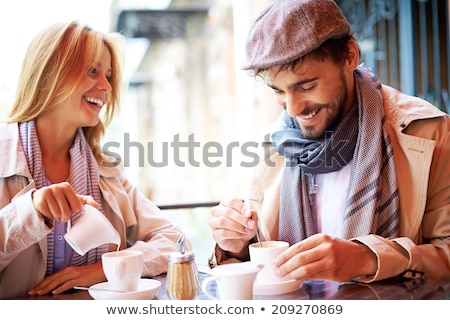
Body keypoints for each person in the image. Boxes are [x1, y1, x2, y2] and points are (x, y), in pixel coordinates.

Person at [210, 0, 450, 283]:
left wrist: (369, 258)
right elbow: (266, 259)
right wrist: (237, 245)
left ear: (349, 56)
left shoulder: (429, 132)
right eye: (278, 91)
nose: (293, 109)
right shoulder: (274, 144)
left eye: (307, 86)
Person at [0, 21, 188, 299]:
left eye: (108, 76)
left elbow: (173, 239)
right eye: (93, 71)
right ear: (51, 74)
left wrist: (103, 270)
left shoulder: (105, 168)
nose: (106, 86)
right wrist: (32, 212)